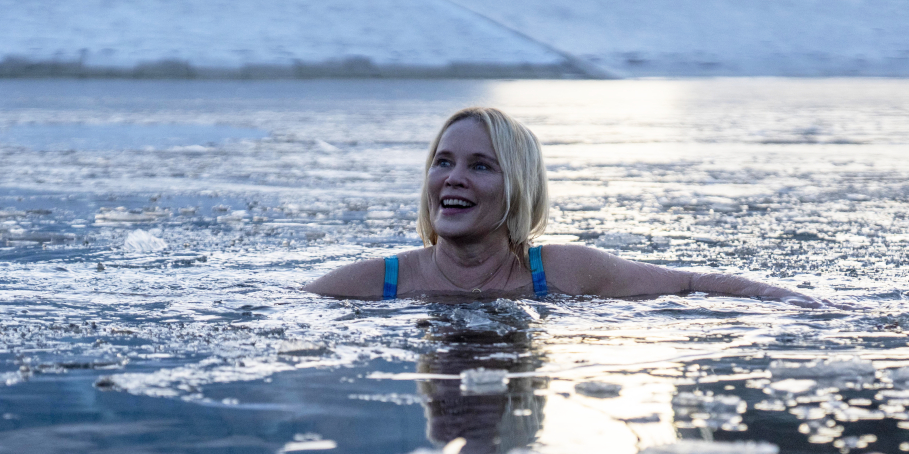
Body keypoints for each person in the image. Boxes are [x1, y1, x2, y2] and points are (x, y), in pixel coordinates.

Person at [304, 106, 831, 306]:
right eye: (443, 162)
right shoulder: (379, 281)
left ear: (521, 187)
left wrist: (806, 303)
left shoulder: (560, 270)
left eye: (481, 166)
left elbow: (689, 283)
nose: (453, 179)